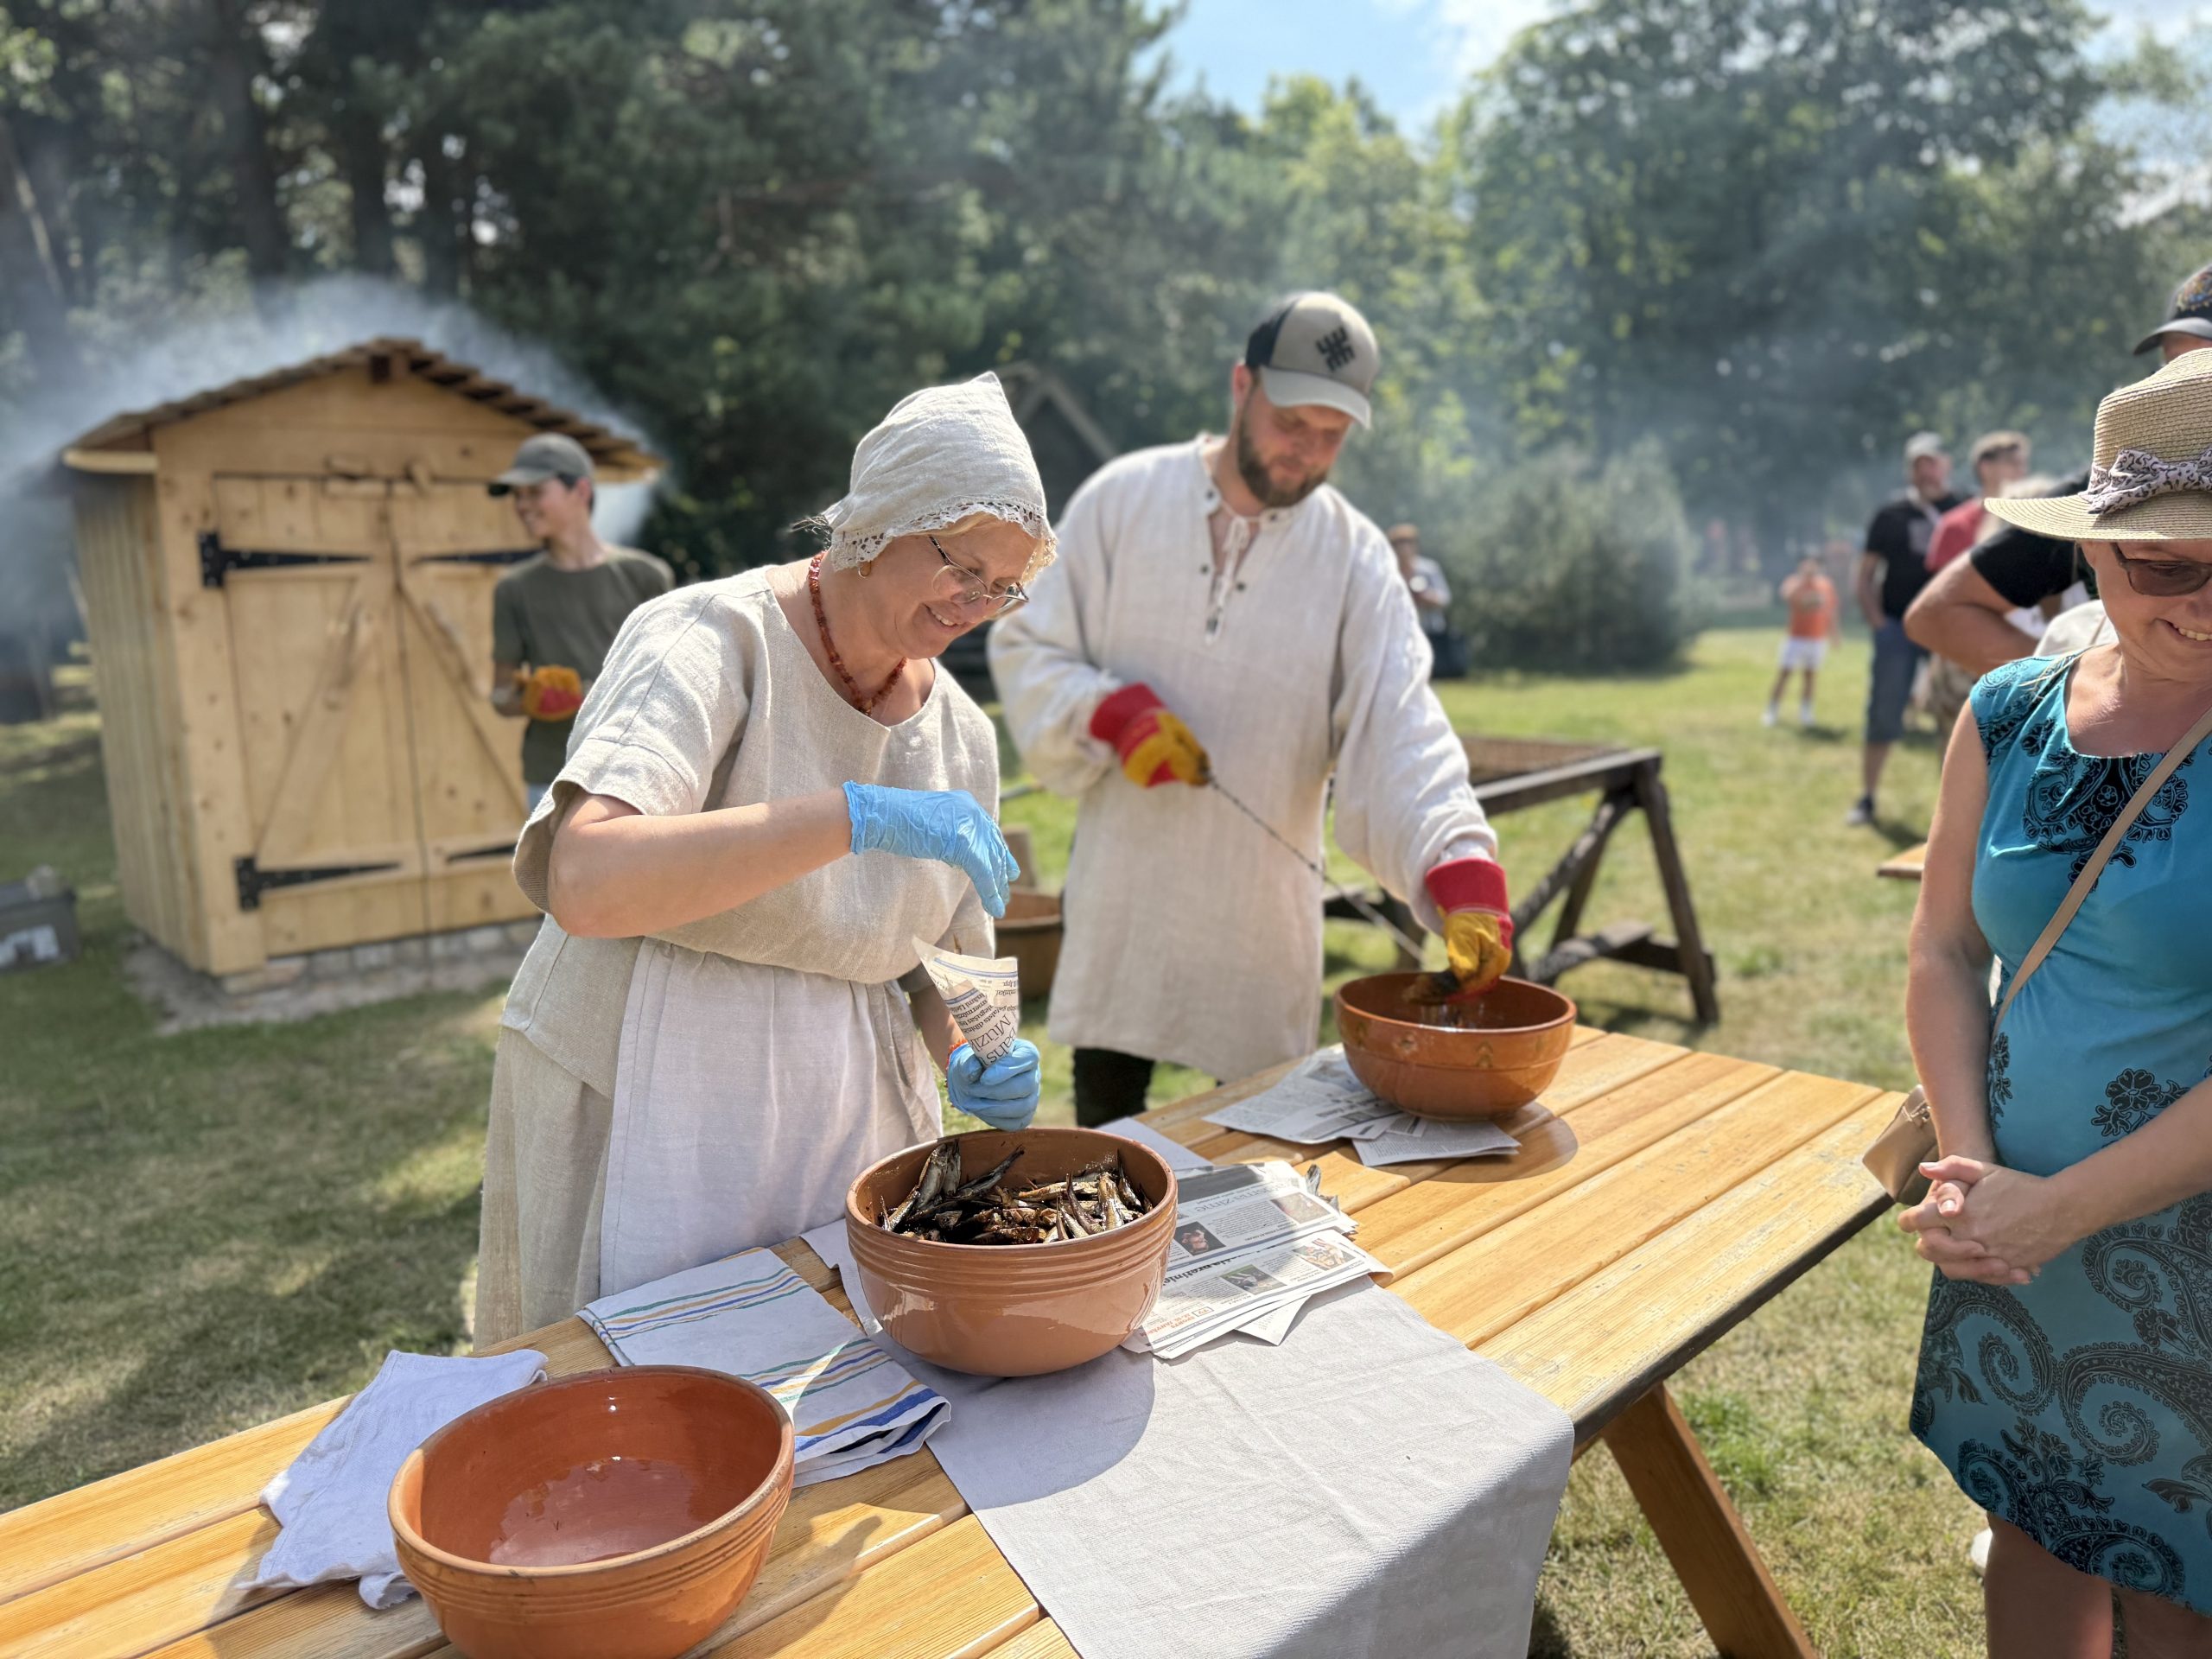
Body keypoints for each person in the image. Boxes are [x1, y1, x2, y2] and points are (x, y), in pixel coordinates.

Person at [474, 375, 1051, 1343]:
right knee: (638, 1392)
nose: (977, 603)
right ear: (878, 525)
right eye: (961, 565)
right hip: (659, 1072)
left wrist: (972, 1049)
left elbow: (945, 961)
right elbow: (584, 879)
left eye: (1005, 586)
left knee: (832, 1396)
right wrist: (850, 816)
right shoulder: (711, 639)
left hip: (843, 1103)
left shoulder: (960, 733)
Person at [989, 291, 1511, 1126]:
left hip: (1259, 920)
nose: (1306, 451)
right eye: (1290, 422)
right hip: (1127, 894)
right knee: (1109, 1146)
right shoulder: (1123, 500)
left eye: (1331, 435)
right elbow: (1027, 648)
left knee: (1258, 1145)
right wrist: (1109, 715)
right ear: (1241, 386)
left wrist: (1461, 866)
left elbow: (1402, 723)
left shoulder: (1356, 558)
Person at [1899, 349, 2212, 1656]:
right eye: (2173, 568)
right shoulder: (2008, 709)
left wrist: (2059, 1208)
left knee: (2181, 1582)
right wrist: (1970, 1163)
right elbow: (1939, 948)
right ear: (2094, 553)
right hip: (2008, 1237)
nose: (2209, 605)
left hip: (2186, 1266)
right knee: (2029, 1527)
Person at [1906, 260, 2212, 676]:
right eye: (2173, 365)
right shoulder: (2120, 490)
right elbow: (1941, 614)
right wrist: (2087, 691)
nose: (2185, 385)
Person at [489, 434, 676, 810]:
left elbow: (672, 679)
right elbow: (500, 696)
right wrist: (532, 699)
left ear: (581, 490)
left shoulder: (646, 577)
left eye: (534, 492)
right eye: (517, 496)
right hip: (553, 776)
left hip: (636, 769)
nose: (522, 505)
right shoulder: (514, 589)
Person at [1847, 432, 1963, 825]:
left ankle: (1957, 813)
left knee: (1959, 717)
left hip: (1950, 629)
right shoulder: (1890, 514)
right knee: (1883, 708)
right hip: (1897, 626)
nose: (1926, 471)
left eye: (1932, 462)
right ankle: (1867, 798)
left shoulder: (1966, 508)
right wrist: (1878, 623)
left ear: (1946, 464)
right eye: (1918, 464)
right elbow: (1864, 574)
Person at [1764, 553, 1838, 728]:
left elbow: (1831, 610)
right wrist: (1806, 585)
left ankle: (1806, 713)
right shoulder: (1794, 583)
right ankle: (1772, 711)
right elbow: (1791, 597)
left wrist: (1834, 633)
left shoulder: (1826, 585)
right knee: (1785, 674)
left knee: (1810, 677)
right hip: (1796, 638)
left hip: (1817, 638)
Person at [1388, 523, 1465, 678]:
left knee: (1430, 676)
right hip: (1398, 632)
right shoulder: (1388, 571)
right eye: (1399, 544)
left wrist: (1424, 596)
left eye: (1408, 543)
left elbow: (1444, 599)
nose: (1404, 548)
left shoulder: (1428, 569)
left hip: (1430, 631)